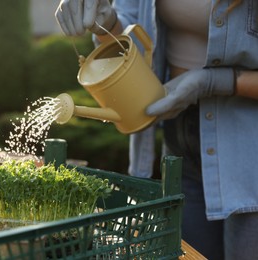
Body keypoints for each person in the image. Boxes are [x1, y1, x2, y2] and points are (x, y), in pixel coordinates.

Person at [55, 0, 258, 259]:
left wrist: (214, 81)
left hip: (250, 151)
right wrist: (106, 24)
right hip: (179, 138)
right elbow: (130, 36)